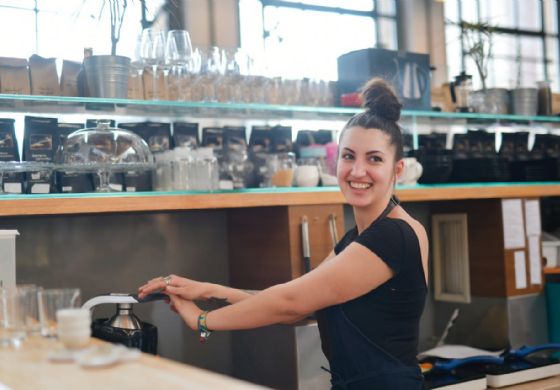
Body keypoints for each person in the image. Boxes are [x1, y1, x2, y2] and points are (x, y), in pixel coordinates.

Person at [138, 77, 429, 389]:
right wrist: (208, 290)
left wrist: (202, 320)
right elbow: (299, 304)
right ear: (335, 162)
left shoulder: (393, 236)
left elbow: (290, 302)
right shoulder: (355, 240)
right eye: (348, 156)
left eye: (374, 159)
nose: (357, 171)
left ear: (397, 170)